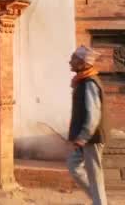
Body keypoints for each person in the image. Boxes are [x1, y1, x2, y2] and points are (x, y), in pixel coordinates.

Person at [67, 45, 107, 205]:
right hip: (85, 138)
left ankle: (99, 202)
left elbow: (94, 114)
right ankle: (99, 201)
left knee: (94, 175)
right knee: (73, 166)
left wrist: (83, 137)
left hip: (91, 137)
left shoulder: (90, 82)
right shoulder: (82, 81)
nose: (70, 62)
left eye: (73, 59)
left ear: (83, 63)